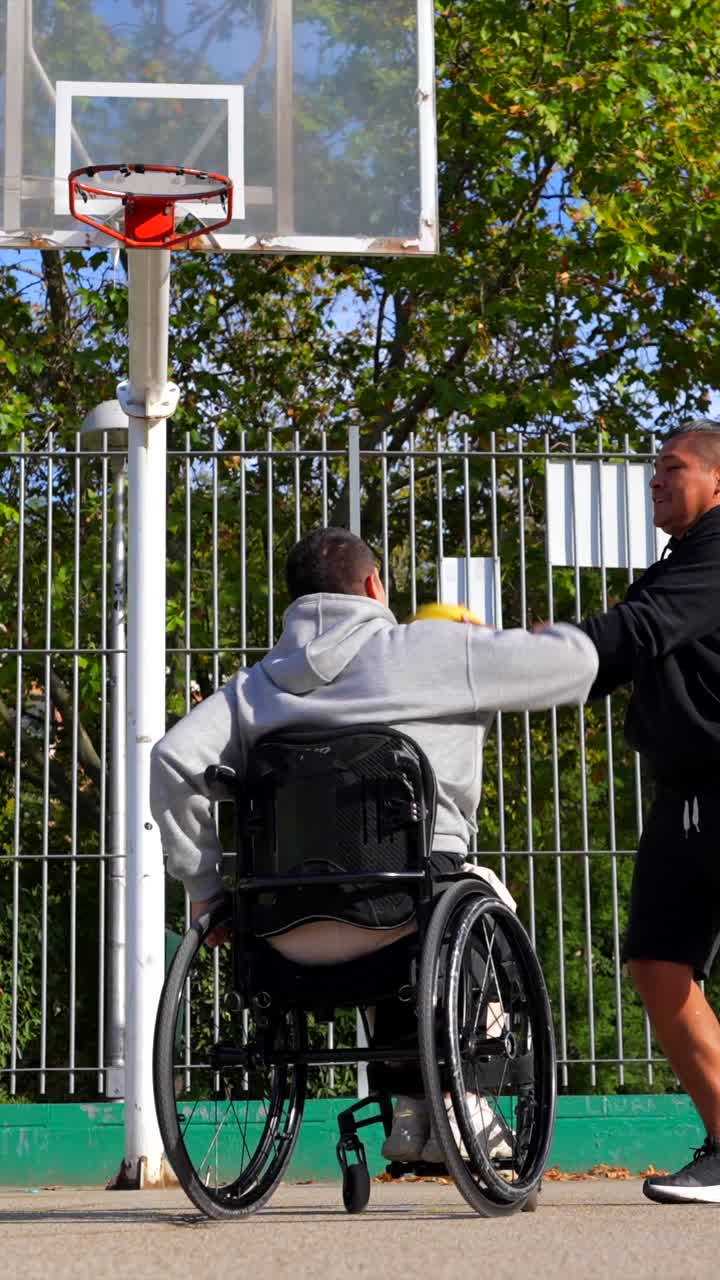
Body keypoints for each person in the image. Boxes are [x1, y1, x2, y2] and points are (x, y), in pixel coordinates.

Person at [151, 525, 598, 1162]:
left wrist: (204, 890)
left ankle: (412, 1116)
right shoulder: (434, 648)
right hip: (409, 907)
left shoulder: (253, 689)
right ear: (373, 587)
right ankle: (466, 1100)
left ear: (293, 601)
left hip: (286, 925)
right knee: (460, 894)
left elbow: (171, 758)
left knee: (405, 902)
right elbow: (578, 665)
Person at [577, 419, 720, 1204]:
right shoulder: (675, 568)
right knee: (660, 963)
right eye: (653, 470)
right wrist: (490, 670)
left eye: (673, 468)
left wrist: (543, 646)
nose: (657, 480)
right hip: (685, 794)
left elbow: (637, 630)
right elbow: (618, 656)